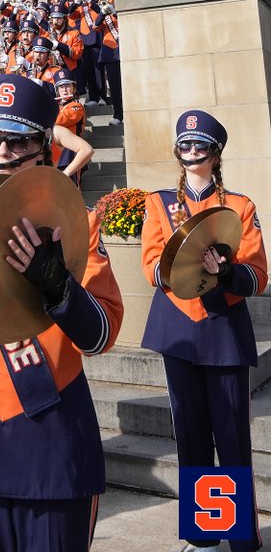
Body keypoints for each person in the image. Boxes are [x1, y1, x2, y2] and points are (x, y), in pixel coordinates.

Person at [0, 74, 123, 552]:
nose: (3, 152)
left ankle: (219, 532)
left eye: (19, 140)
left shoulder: (77, 221)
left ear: (44, 148)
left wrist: (58, 287)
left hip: (51, 424)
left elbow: (101, 334)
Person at [141, 110, 266, 552]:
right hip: (177, 326)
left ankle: (239, 536)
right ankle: (203, 533)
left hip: (223, 327)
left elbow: (257, 275)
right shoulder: (157, 203)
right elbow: (151, 267)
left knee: (231, 436)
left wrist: (226, 271)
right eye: (185, 145)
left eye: (200, 146)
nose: (191, 153)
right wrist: (186, 260)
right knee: (192, 436)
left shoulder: (240, 205)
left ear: (216, 154)